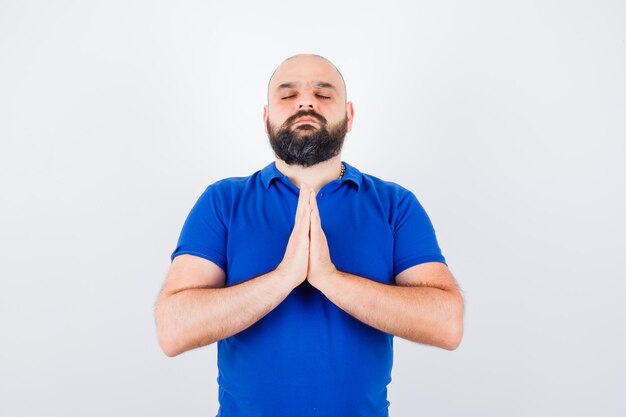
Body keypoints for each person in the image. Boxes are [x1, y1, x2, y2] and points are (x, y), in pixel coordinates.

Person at [155, 54, 464, 417]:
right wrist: (283, 279)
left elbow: (447, 325)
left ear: (349, 116)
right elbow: (173, 330)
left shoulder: (395, 205)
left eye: (323, 93)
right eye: (287, 96)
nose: (305, 102)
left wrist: (330, 280)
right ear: (266, 117)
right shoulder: (223, 201)